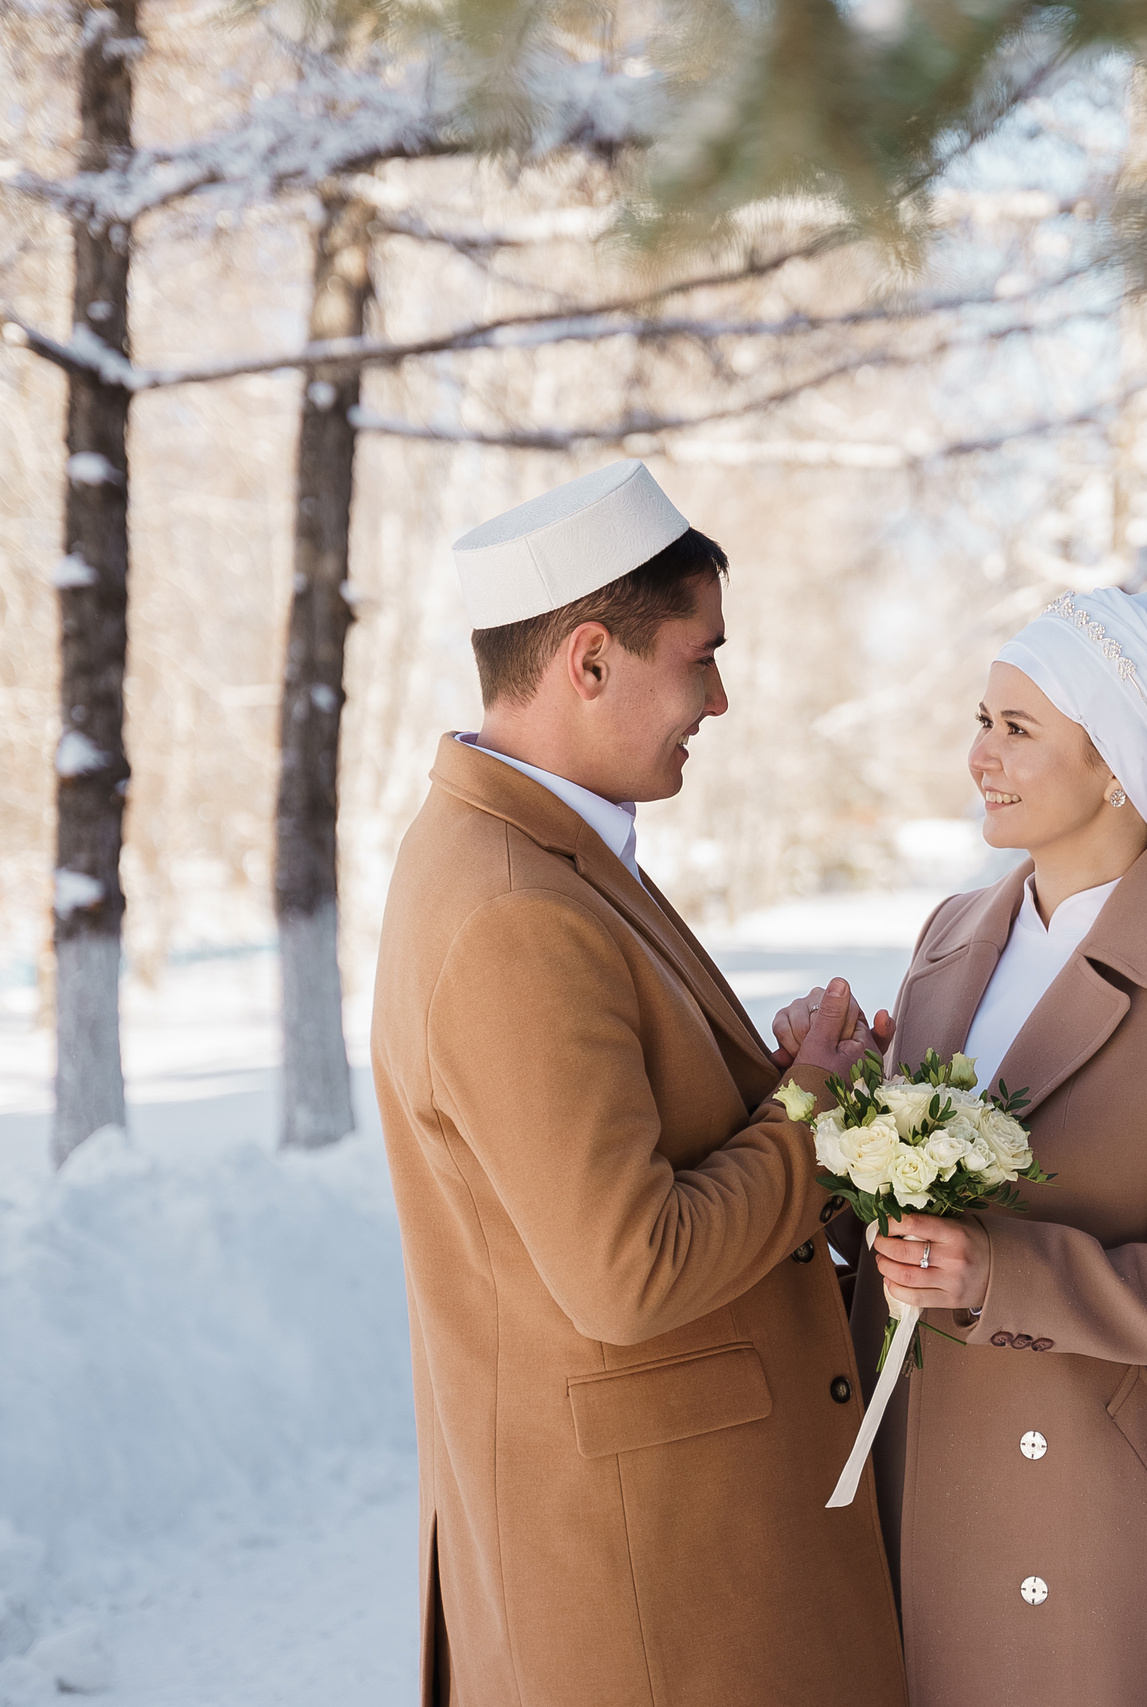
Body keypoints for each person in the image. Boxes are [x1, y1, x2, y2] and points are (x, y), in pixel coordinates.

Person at [370, 460, 907, 1707]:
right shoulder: (513, 908)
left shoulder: (545, 852)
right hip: (648, 1598)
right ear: (591, 659)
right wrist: (808, 1113)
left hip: (670, 1562)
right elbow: (630, 1267)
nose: (719, 697)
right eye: (700, 656)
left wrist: (777, 1084)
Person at [775, 586, 1147, 1707]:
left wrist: (999, 1273)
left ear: (1117, 765)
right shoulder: (951, 933)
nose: (980, 755)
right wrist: (830, 1105)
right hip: (923, 1477)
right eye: (982, 720)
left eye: (1018, 728)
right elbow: (892, 1224)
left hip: (1093, 1510)